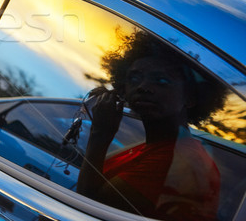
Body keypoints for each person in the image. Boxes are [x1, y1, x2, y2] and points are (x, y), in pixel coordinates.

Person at [77, 31, 226, 221]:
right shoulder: (156, 147)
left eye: (161, 81)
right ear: (122, 89)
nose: (143, 87)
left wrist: (99, 135)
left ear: (190, 98)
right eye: (135, 78)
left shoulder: (179, 159)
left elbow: (87, 208)